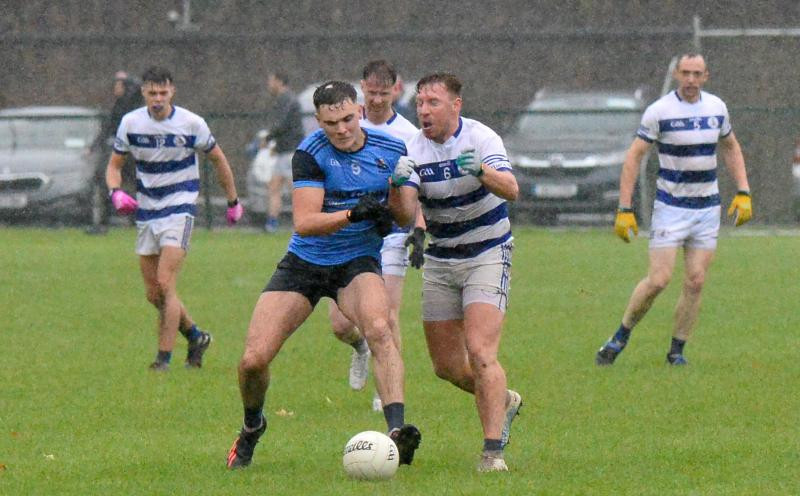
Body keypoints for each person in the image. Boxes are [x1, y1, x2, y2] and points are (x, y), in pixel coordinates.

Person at [226, 81, 421, 470]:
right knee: (252, 361)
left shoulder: (391, 149)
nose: (343, 130)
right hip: (306, 263)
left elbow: (402, 216)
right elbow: (306, 222)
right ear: (319, 121)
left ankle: (396, 432)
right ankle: (252, 427)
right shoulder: (310, 152)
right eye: (332, 123)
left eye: (348, 119)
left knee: (380, 330)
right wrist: (353, 214)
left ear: (361, 112)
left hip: (357, 262)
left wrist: (397, 195)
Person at [388, 72, 522, 473]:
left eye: (433, 103)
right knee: (447, 367)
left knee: (482, 353)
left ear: (456, 105)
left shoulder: (482, 138)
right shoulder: (410, 148)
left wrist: (482, 171)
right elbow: (404, 215)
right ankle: (506, 400)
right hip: (441, 258)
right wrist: (397, 187)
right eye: (421, 103)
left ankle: (492, 452)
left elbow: (512, 189)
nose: (424, 110)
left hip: (487, 253)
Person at [595, 53, 752, 366]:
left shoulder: (716, 108)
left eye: (697, 73)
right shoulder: (660, 111)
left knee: (696, 280)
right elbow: (634, 157)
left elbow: (730, 146)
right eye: (686, 73)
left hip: (707, 207)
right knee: (659, 280)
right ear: (677, 74)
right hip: (671, 207)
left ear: (706, 76)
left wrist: (744, 190)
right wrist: (624, 208)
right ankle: (620, 336)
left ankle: (676, 351)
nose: (691, 79)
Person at [105, 66, 243, 371]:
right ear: (143, 92)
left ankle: (163, 359)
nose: (157, 98)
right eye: (152, 93)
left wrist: (233, 200)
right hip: (147, 211)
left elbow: (218, 158)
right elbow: (114, 165)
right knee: (153, 294)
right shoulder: (131, 123)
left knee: (165, 283)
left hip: (179, 209)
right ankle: (195, 335)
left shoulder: (191, 123)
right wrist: (115, 192)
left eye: (163, 92)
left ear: (172, 92)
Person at [327, 60, 424, 414]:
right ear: (361, 89)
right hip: (350, 232)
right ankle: (361, 347)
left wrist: (419, 228)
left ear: (396, 90)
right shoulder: (347, 125)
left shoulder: (408, 135)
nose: (378, 99)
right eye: (372, 92)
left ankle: (389, 393)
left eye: (385, 93)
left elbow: (417, 187)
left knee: (388, 315)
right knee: (340, 324)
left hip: (392, 232)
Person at [87, 70, 143, 234]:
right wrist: (94, 146)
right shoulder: (118, 106)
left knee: (131, 184)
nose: (115, 89)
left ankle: (135, 219)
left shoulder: (130, 103)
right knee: (109, 184)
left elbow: (139, 87)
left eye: (119, 85)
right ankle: (105, 222)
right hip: (117, 150)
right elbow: (108, 128)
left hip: (129, 151)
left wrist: (125, 79)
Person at [262, 72, 304, 232]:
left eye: (271, 81)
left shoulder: (287, 99)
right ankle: (272, 223)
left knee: (297, 189)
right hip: (283, 151)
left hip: (291, 152)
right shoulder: (282, 99)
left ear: (279, 82)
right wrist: (276, 146)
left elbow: (282, 124)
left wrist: (268, 138)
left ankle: (303, 221)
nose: (269, 84)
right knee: (274, 186)